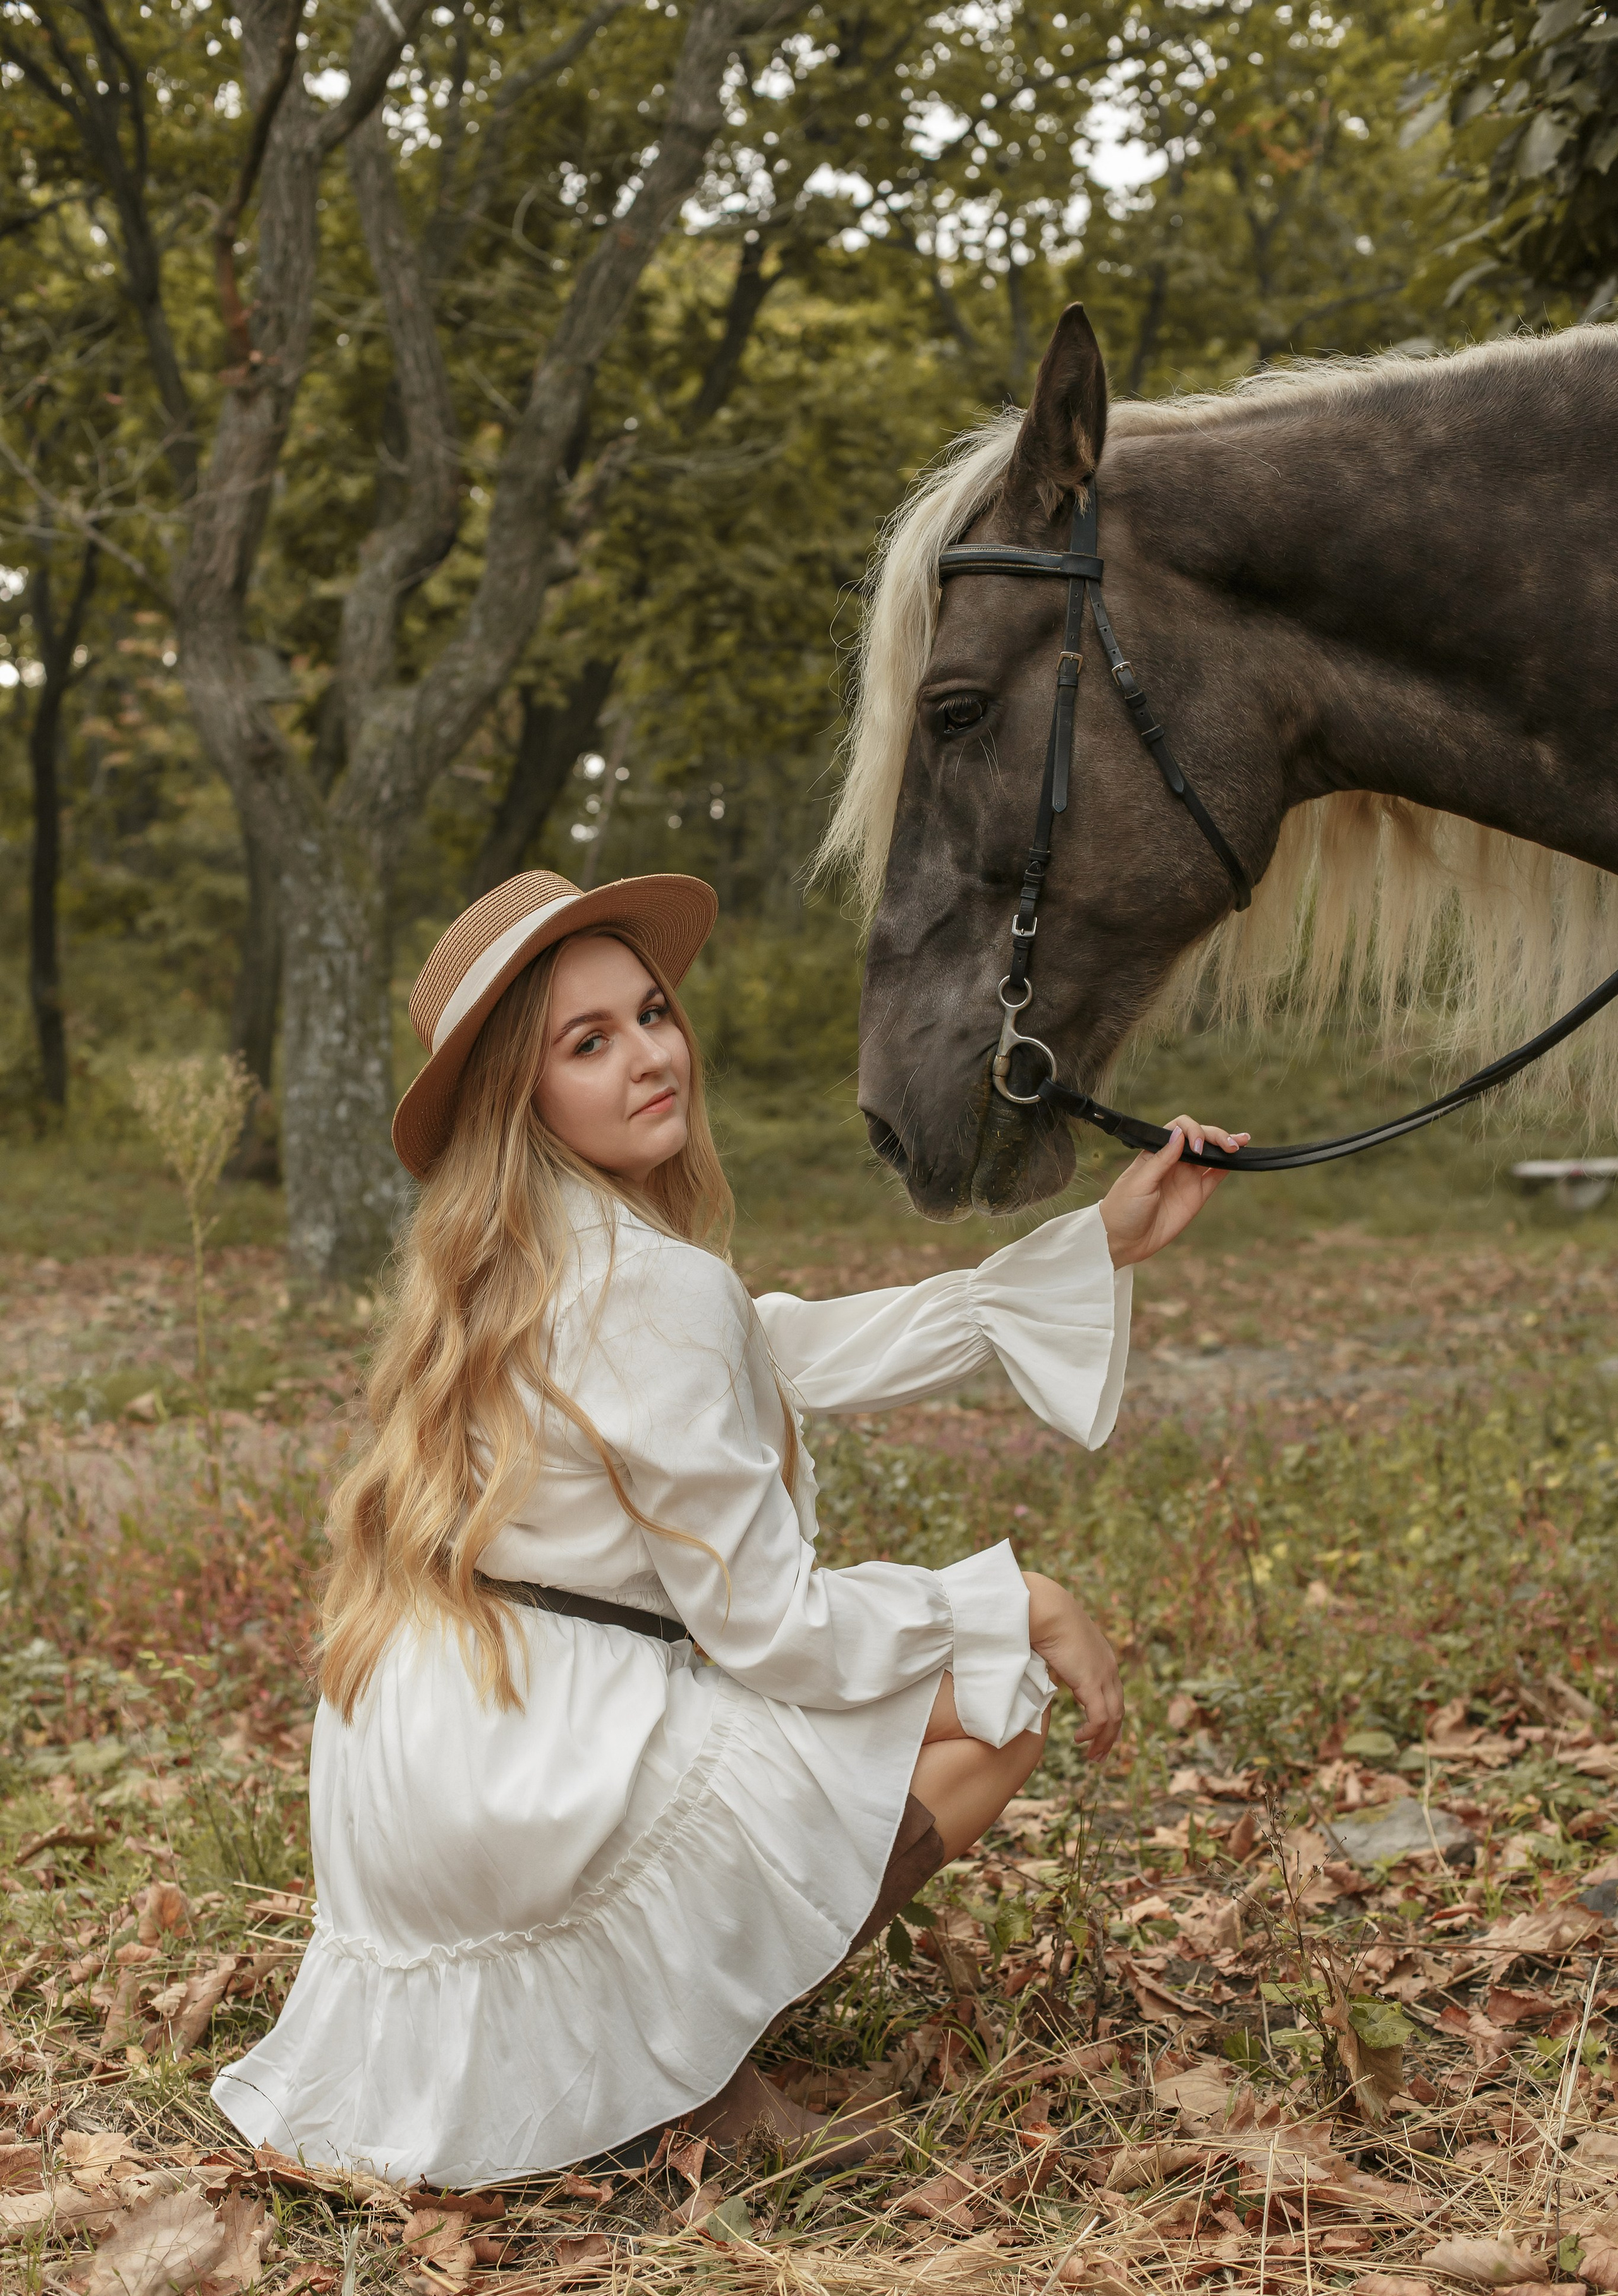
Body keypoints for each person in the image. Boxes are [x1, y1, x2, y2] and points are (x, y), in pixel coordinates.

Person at [212, 867, 1246, 2187]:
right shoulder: (645, 1285)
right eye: (588, 1044)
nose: (650, 1056)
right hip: (532, 1778)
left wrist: (1084, 1247)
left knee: (905, 1682)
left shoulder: (514, 1259)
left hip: (431, 1777)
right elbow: (769, 1623)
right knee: (1006, 1691)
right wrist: (1010, 1600)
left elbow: (767, 1346)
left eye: (650, 1014)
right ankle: (688, 2083)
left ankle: (648, 2053)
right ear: (521, 1098)